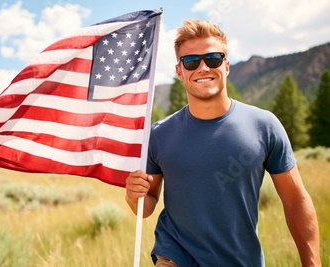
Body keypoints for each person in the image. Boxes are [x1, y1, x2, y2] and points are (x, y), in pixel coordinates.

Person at [125, 19, 321, 266]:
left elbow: (295, 199)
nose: (203, 68)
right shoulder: (159, 134)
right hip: (176, 257)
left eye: (213, 59)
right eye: (191, 61)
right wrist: (134, 197)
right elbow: (146, 206)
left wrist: (311, 263)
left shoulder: (264, 126)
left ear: (226, 66)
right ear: (179, 71)